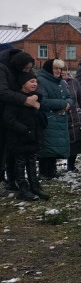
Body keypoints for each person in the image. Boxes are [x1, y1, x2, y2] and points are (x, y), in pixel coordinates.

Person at [2, 71, 49, 201]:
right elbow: (9, 119)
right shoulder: (17, 99)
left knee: (32, 162)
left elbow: (42, 118)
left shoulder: (36, 98)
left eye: (36, 81)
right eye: (31, 81)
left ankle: (35, 186)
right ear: (23, 83)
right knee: (20, 164)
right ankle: (23, 188)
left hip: (33, 138)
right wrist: (24, 130)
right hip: (20, 139)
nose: (35, 84)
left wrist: (39, 112)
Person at [0, 49, 36, 191]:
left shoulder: (19, 70)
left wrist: (36, 96)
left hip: (15, 113)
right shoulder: (2, 69)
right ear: (18, 64)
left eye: (30, 68)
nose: (27, 70)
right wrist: (25, 99)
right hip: (4, 112)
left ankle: (12, 180)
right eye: (26, 68)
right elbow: (2, 92)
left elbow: (30, 83)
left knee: (12, 150)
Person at [36, 59, 72, 179]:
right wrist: (62, 104)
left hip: (60, 118)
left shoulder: (61, 82)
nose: (58, 71)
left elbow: (69, 97)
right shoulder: (41, 81)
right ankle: (44, 172)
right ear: (49, 69)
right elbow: (42, 100)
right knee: (47, 146)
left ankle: (52, 170)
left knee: (55, 146)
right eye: (55, 68)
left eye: (60, 69)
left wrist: (68, 104)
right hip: (48, 118)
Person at [62, 69, 81, 172]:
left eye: (63, 69)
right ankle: (51, 167)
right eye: (59, 70)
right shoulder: (54, 82)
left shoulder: (74, 81)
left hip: (75, 115)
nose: (62, 72)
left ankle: (71, 165)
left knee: (75, 140)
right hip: (61, 115)